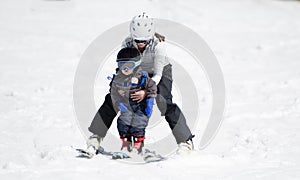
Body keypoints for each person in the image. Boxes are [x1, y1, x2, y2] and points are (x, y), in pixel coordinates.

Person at [86, 12, 194, 156]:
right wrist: (119, 88)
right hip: (135, 70)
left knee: (164, 101)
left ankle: (185, 141)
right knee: (113, 99)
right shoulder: (127, 43)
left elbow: (157, 75)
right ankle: (96, 138)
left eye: (144, 41)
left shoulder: (158, 47)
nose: (141, 44)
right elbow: (124, 67)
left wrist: (145, 91)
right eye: (138, 41)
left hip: (159, 72)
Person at [110, 47, 157, 154]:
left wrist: (149, 100)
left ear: (136, 64)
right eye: (122, 65)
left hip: (139, 106)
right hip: (125, 105)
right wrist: (117, 101)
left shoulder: (142, 77)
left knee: (139, 122)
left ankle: (138, 143)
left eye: (129, 65)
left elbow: (153, 87)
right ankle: (126, 143)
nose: (125, 68)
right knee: (123, 122)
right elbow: (113, 91)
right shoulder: (118, 79)